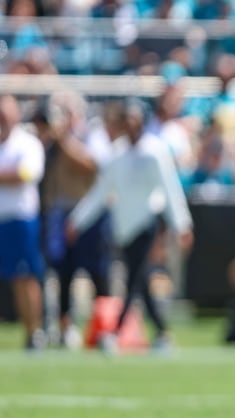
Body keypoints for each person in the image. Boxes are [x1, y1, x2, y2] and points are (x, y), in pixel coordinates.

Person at [66, 98, 194, 354]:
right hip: (124, 228)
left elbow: (170, 188)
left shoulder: (155, 151)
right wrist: (77, 221)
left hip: (147, 223)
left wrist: (182, 224)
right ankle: (162, 334)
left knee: (134, 279)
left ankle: (115, 332)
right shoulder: (118, 154)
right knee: (141, 279)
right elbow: (100, 193)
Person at [34, 91, 113, 349]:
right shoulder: (53, 142)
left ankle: (104, 328)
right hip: (61, 212)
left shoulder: (93, 135)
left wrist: (64, 140)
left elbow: (92, 165)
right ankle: (67, 327)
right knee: (63, 273)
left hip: (90, 214)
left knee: (96, 273)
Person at [0, 94, 47, 351]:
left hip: (21, 219)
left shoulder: (27, 143)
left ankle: (34, 332)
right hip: (2, 220)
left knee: (25, 276)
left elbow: (26, 174)